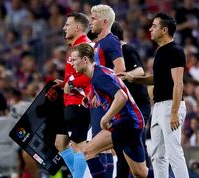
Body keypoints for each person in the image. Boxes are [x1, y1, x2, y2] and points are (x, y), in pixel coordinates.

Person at [119, 12, 189, 178]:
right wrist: (134, 79)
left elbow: (178, 83)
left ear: (164, 30)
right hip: (158, 106)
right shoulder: (160, 51)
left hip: (171, 105)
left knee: (174, 152)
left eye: (154, 26)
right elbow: (156, 79)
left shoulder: (176, 51)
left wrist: (174, 112)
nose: (150, 29)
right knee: (157, 155)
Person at [71, 43, 154, 178]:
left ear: (85, 60)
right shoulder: (98, 72)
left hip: (126, 122)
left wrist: (105, 118)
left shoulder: (98, 76)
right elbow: (109, 92)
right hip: (133, 122)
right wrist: (91, 97)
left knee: (88, 151)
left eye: (74, 59)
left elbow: (121, 97)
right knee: (140, 173)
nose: (72, 63)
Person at [45, 12, 91, 177]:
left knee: (78, 146)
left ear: (77, 27)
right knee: (60, 143)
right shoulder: (75, 48)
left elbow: (90, 75)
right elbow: (78, 76)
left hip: (80, 103)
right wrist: (65, 83)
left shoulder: (86, 47)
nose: (64, 28)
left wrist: (71, 84)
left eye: (67, 24)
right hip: (69, 102)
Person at [87, 4, 126, 177]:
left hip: (107, 102)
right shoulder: (97, 44)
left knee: (98, 147)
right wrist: (92, 92)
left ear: (104, 22)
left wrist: (104, 93)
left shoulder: (111, 41)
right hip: (98, 100)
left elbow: (120, 70)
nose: (90, 21)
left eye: (93, 18)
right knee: (102, 148)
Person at [111, 21, 152, 177]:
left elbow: (140, 71)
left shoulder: (126, 49)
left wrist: (123, 76)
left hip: (139, 104)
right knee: (122, 146)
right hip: (125, 105)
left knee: (137, 142)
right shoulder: (111, 55)